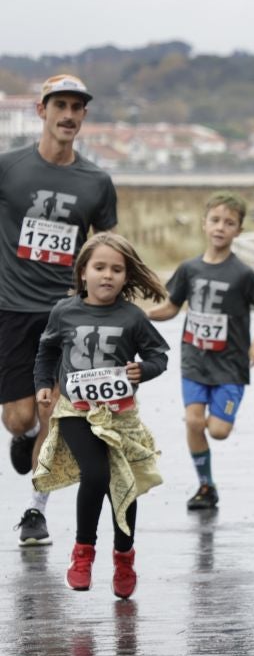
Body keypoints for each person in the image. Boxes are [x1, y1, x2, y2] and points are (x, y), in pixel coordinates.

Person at [5, 75, 118, 547]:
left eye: (77, 107)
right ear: (41, 110)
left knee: (55, 410)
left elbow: (109, 246)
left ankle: (36, 509)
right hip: (11, 307)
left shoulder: (96, 181)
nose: (69, 115)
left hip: (67, 315)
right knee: (19, 416)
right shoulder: (9, 169)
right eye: (61, 106)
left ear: (84, 116)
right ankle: (22, 432)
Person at [32, 233, 168, 599]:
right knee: (96, 474)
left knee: (123, 487)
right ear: (82, 273)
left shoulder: (132, 317)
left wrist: (144, 370)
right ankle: (83, 554)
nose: (107, 275)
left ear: (126, 277)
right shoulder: (65, 311)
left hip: (119, 416)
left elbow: (159, 356)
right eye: (99, 267)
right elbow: (46, 350)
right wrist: (44, 383)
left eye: (116, 269)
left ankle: (124, 557)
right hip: (75, 411)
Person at [146, 193, 254, 511]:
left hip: (230, 364)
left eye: (229, 223)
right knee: (192, 421)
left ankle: (207, 463)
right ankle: (206, 485)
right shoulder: (189, 269)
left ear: (238, 231)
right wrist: (140, 315)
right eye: (215, 220)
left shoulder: (242, 274)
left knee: (218, 431)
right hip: (194, 359)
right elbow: (171, 308)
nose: (220, 227)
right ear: (204, 224)